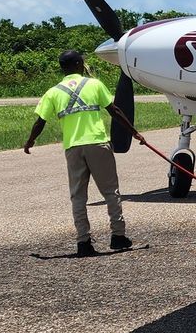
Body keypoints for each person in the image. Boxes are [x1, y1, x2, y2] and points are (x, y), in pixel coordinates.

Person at [24, 51, 132, 256]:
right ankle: (118, 236)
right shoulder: (95, 84)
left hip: (73, 148)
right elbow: (114, 110)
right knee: (111, 192)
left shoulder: (53, 92)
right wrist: (134, 132)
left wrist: (30, 141)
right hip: (97, 143)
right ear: (78, 64)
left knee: (78, 196)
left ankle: (83, 241)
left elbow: (40, 121)